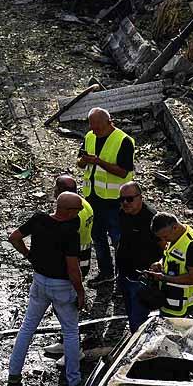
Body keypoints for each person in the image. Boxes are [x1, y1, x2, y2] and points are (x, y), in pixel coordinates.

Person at [7, 192, 86, 386]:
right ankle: (74, 380)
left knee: (27, 327)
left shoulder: (38, 219)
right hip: (62, 286)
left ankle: (14, 374)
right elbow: (73, 268)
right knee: (70, 332)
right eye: (78, 209)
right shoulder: (70, 233)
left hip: (39, 281)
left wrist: (30, 256)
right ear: (68, 211)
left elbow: (14, 237)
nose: (80, 213)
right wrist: (81, 292)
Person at [77, 107, 135, 286]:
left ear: (109, 122)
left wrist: (99, 162)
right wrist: (84, 161)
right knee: (98, 237)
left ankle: (123, 277)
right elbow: (80, 163)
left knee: (118, 239)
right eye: (91, 126)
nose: (94, 130)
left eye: (98, 127)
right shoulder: (90, 136)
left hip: (115, 201)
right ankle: (106, 272)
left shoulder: (124, 141)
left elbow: (124, 171)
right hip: (93, 197)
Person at [115, 182, 161, 332]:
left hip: (143, 277)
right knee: (130, 312)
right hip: (124, 272)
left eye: (129, 199)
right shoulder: (122, 213)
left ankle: (139, 347)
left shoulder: (152, 219)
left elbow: (165, 247)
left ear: (140, 197)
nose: (124, 203)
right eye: (121, 199)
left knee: (138, 319)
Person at [143, 212, 193, 318]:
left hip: (186, 308)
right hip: (170, 302)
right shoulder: (175, 237)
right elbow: (170, 256)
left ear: (175, 227)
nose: (164, 240)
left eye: (165, 236)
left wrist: (163, 278)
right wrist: (160, 264)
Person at [54, 175, 93, 276]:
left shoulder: (70, 214)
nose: (54, 191)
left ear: (60, 191)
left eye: (56, 188)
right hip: (85, 253)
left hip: (73, 256)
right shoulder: (85, 204)